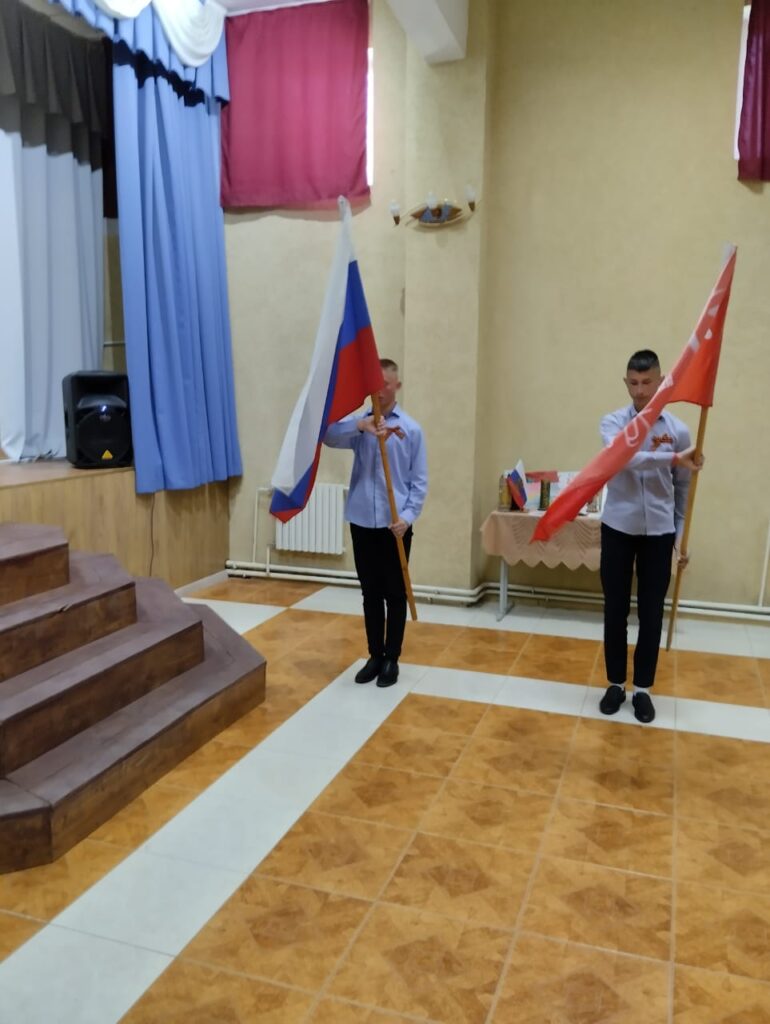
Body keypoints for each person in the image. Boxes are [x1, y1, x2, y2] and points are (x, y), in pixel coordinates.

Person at [599, 349, 703, 723]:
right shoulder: (613, 422)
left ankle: (642, 689)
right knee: (615, 609)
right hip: (618, 528)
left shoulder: (678, 431)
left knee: (652, 612)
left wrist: (679, 537)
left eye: (647, 383)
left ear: (661, 383)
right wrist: (674, 458)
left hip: (659, 532)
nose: (640, 391)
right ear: (625, 383)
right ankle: (615, 683)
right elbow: (623, 457)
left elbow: (683, 487)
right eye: (633, 383)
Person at [324, 359, 428, 687]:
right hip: (361, 521)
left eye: (386, 384)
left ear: (397, 386)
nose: (379, 390)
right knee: (370, 592)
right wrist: (360, 425)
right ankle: (375, 655)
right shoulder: (362, 425)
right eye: (375, 383)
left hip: (393, 525)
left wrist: (407, 518)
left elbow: (419, 482)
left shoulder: (411, 429)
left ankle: (392, 658)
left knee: (395, 593)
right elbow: (328, 436)